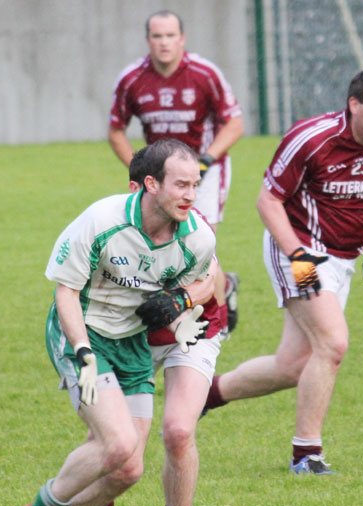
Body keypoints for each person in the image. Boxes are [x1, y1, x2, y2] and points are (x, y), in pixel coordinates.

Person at [14, 139, 217, 506]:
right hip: (83, 335)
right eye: (180, 185)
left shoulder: (196, 236)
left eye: (195, 185)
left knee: (128, 470)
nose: (190, 195)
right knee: (118, 443)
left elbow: (209, 281)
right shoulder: (102, 220)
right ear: (149, 184)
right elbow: (65, 291)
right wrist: (82, 350)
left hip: (132, 347)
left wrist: (181, 305)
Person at [202, 69, 363, 474]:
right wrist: (298, 255)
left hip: (345, 256)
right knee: (333, 344)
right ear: (354, 104)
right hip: (298, 250)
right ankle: (307, 454)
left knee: (294, 365)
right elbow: (268, 201)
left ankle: (204, 396)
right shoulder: (311, 139)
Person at [61, 153, 223, 506]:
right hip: (132, 335)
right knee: (111, 439)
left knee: (178, 431)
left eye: (192, 186)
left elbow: (212, 277)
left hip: (192, 330)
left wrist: (182, 298)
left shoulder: (189, 230)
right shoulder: (113, 226)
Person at [108, 9, 244, 336]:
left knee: (200, 238)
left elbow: (235, 123)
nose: (164, 43)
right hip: (161, 177)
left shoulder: (204, 73)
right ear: (148, 41)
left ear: (182, 39)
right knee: (161, 238)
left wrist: (206, 161)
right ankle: (210, 294)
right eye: (157, 36)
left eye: (170, 36)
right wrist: (140, 172)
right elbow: (115, 131)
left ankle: (218, 314)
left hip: (205, 173)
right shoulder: (132, 78)